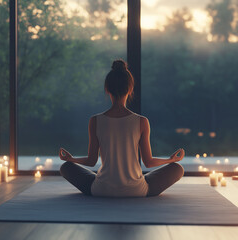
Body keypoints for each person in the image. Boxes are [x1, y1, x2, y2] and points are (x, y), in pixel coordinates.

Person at [59, 59, 185, 197]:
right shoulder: (142, 121)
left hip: (101, 190)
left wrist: (71, 159)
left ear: (107, 89)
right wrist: (171, 160)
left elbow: (91, 161)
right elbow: (148, 162)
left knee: (66, 168)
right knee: (177, 169)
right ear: (130, 89)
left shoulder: (95, 121)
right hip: (136, 190)